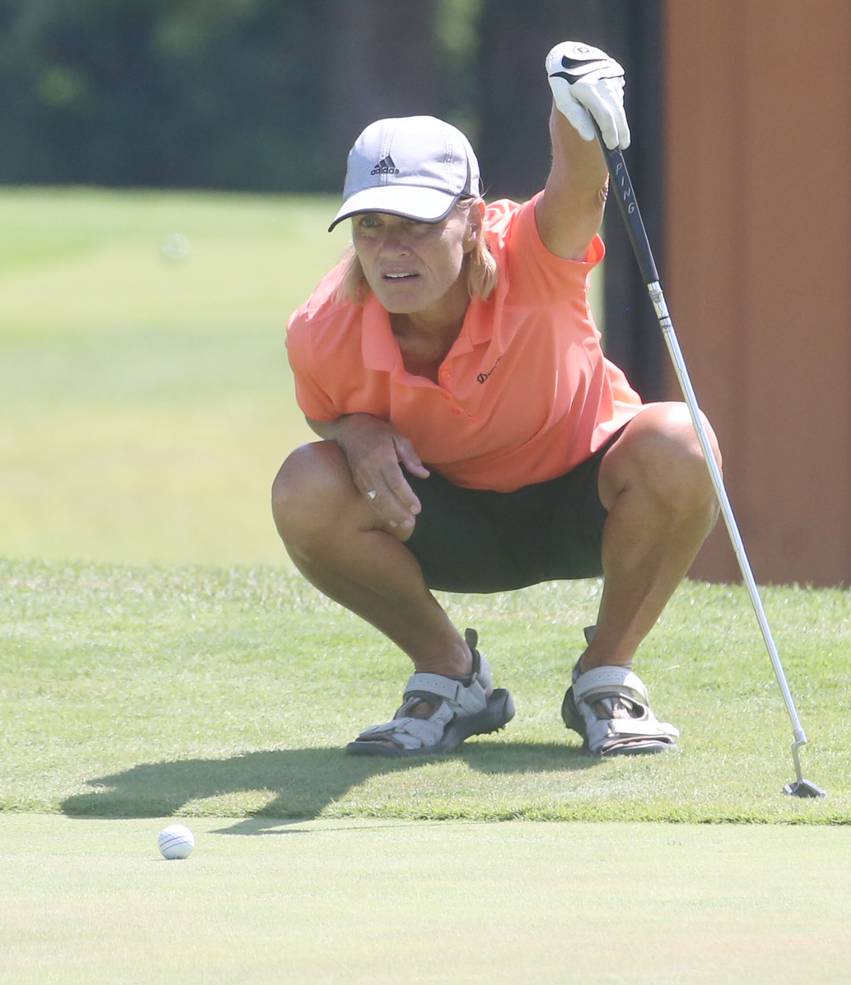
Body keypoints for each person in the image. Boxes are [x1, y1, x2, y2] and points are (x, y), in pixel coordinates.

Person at [271, 42, 722, 758]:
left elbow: (579, 188)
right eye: (370, 225)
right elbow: (324, 405)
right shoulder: (320, 328)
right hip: (443, 518)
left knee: (681, 441)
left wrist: (571, 103)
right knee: (303, 485)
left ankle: (605, 678)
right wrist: (354, 431)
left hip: (588, 503)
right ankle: (452, 679)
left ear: (474, 220)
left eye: (416, 224)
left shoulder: (530, 256)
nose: (391, 251)